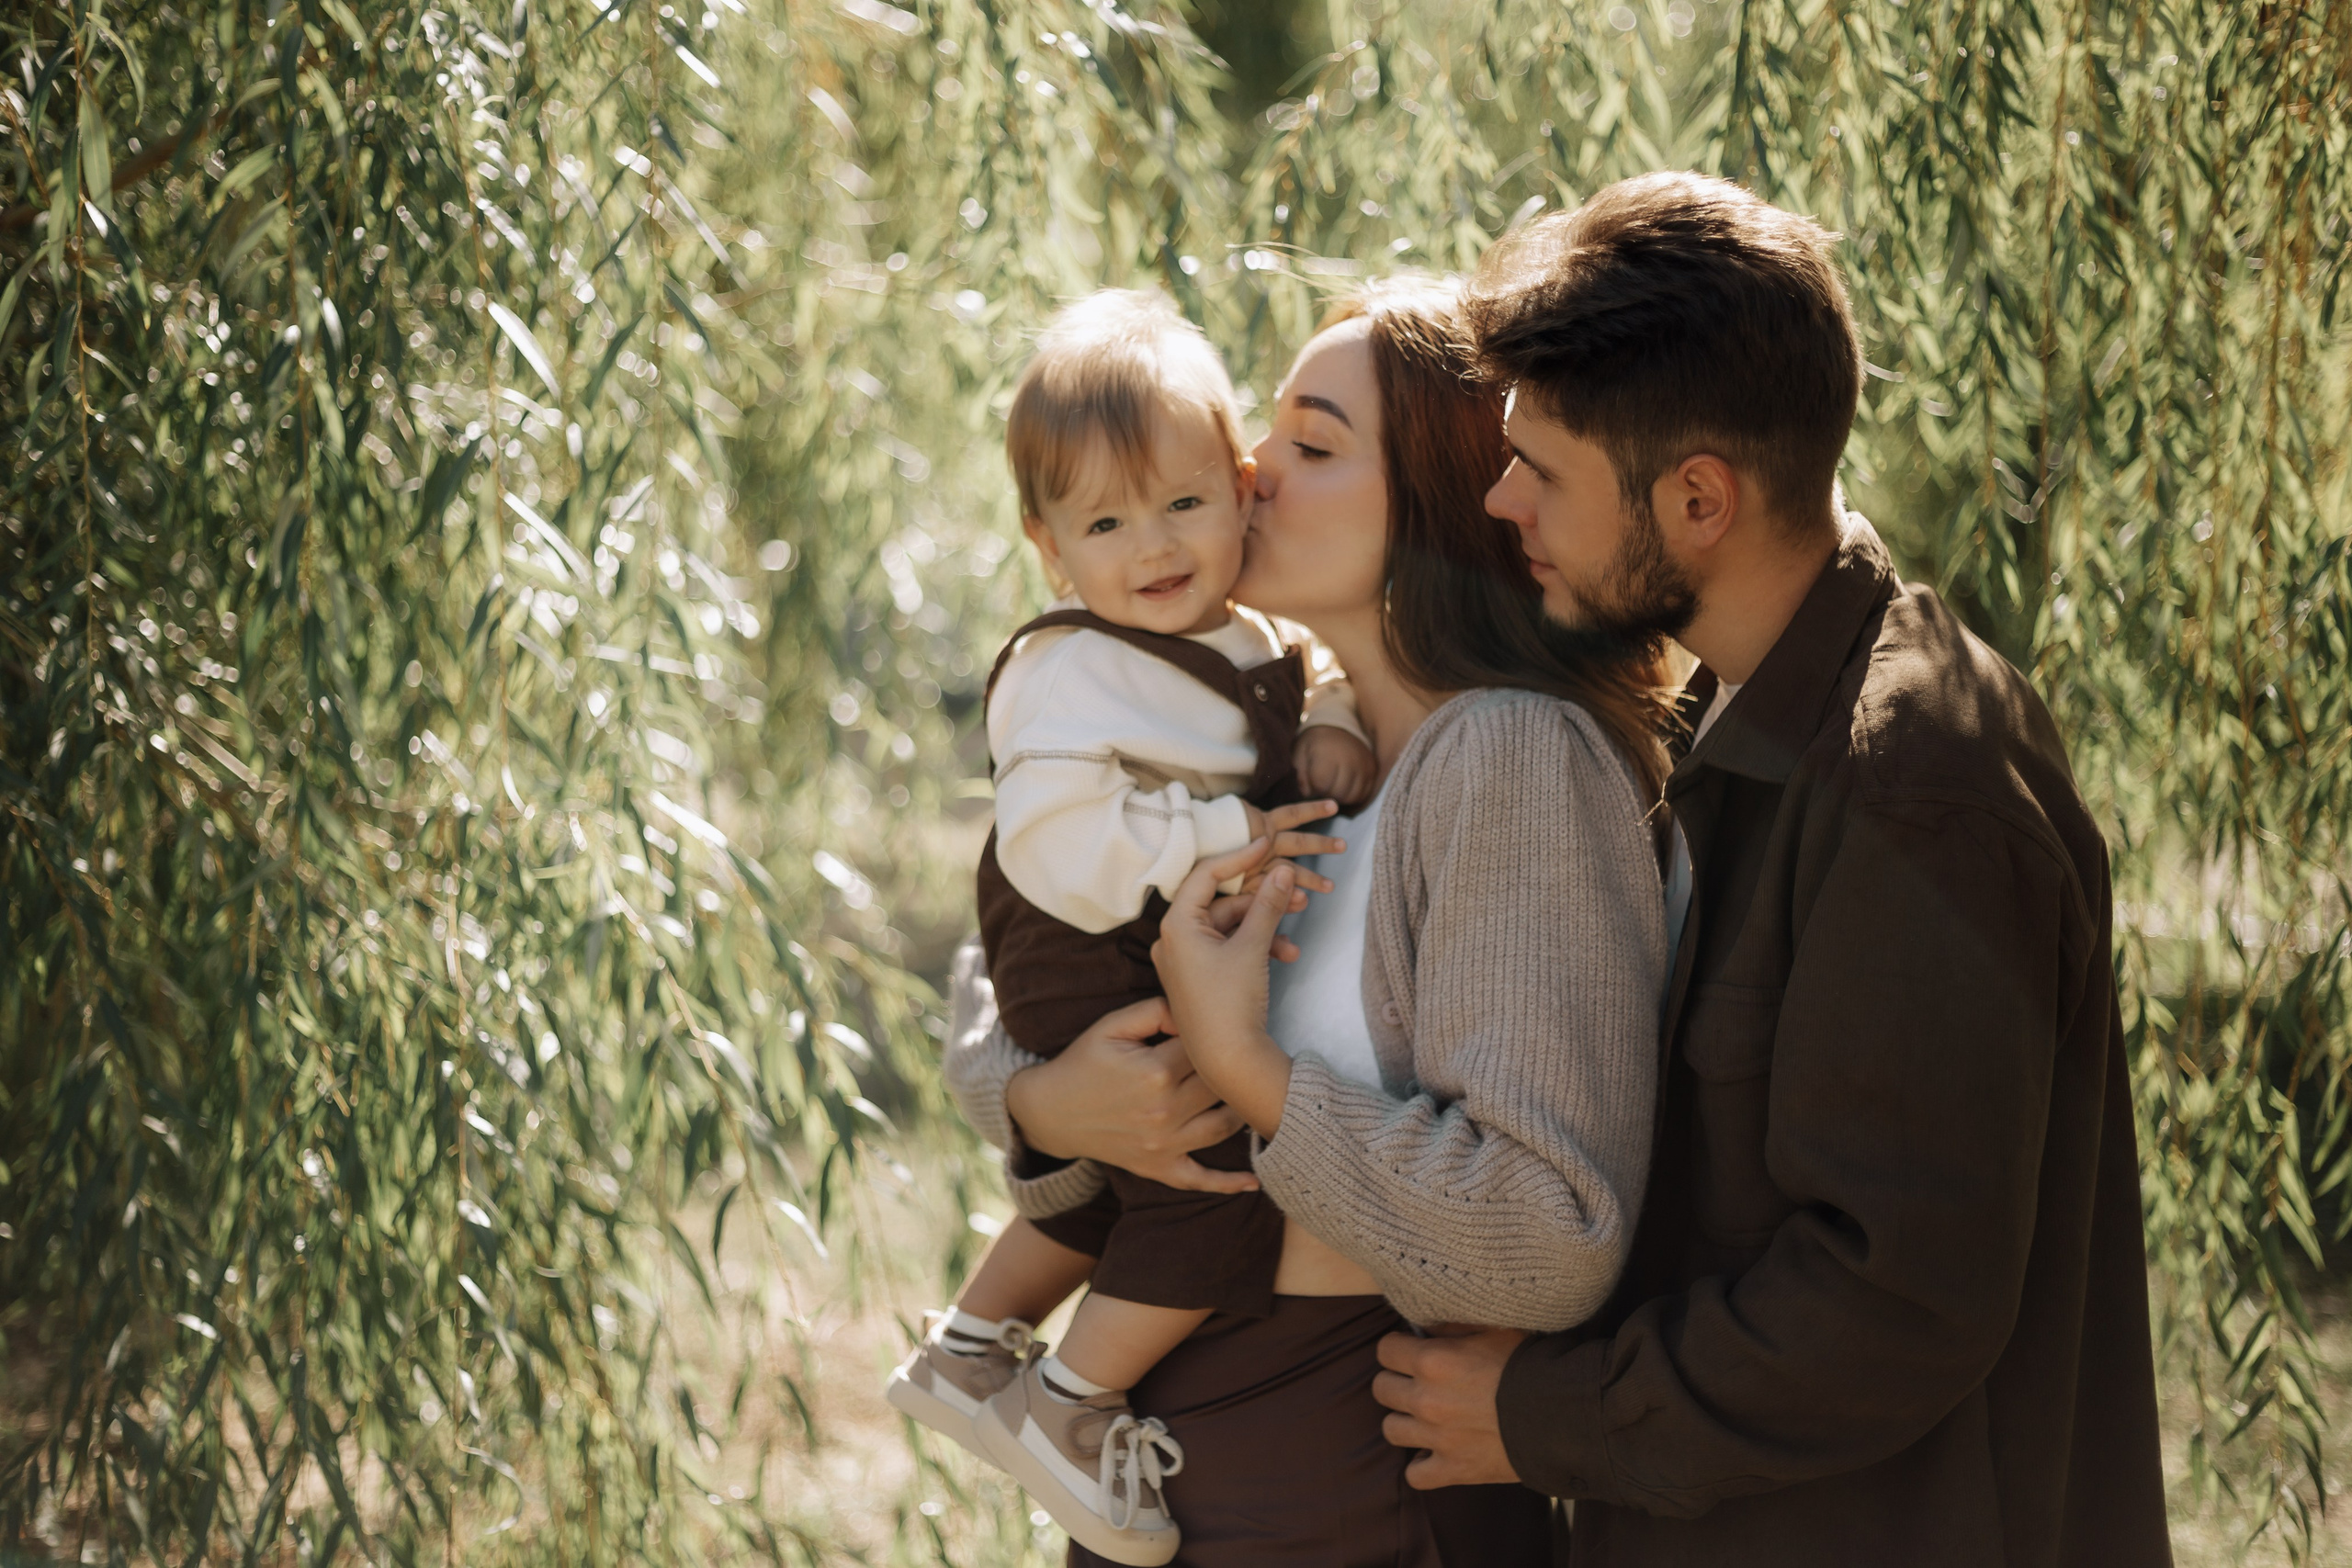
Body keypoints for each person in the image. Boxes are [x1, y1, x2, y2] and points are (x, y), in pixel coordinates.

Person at [1360, 172, 2174, 1565]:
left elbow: (1893, 1302)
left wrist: (1546, 1417)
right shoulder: (1737, 720)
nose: (1500, 502)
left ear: (1698, 499)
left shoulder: (1914, 782)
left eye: (1540, 469)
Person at [944, 276, 1677, 1567]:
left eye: (1312, 443)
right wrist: (1043, 1102)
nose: (1250, 469)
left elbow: (1548, 1231)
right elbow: (1013, 955)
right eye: (1264, 435)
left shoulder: (1509, 759)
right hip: (1168, 1472)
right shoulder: (1272, 746)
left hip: (1346, 1489)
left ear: (1444, 504)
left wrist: (1252, 1079)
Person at [884, 288, 1375, 1565]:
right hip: (1081, 927)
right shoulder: (1069, 666)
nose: (1151, 545)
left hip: (1146, 924)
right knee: (1210, 1172)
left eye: (1182, 502)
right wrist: (1211, 847)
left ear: (1240, 483)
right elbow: (1049, 835)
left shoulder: (1253, 629)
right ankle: (1071, 1403)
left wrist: (1331, 720)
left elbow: (1306, 671)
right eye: (1105, 523)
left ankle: (973, 1345)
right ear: (1052, 552)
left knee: (1123, 1168)